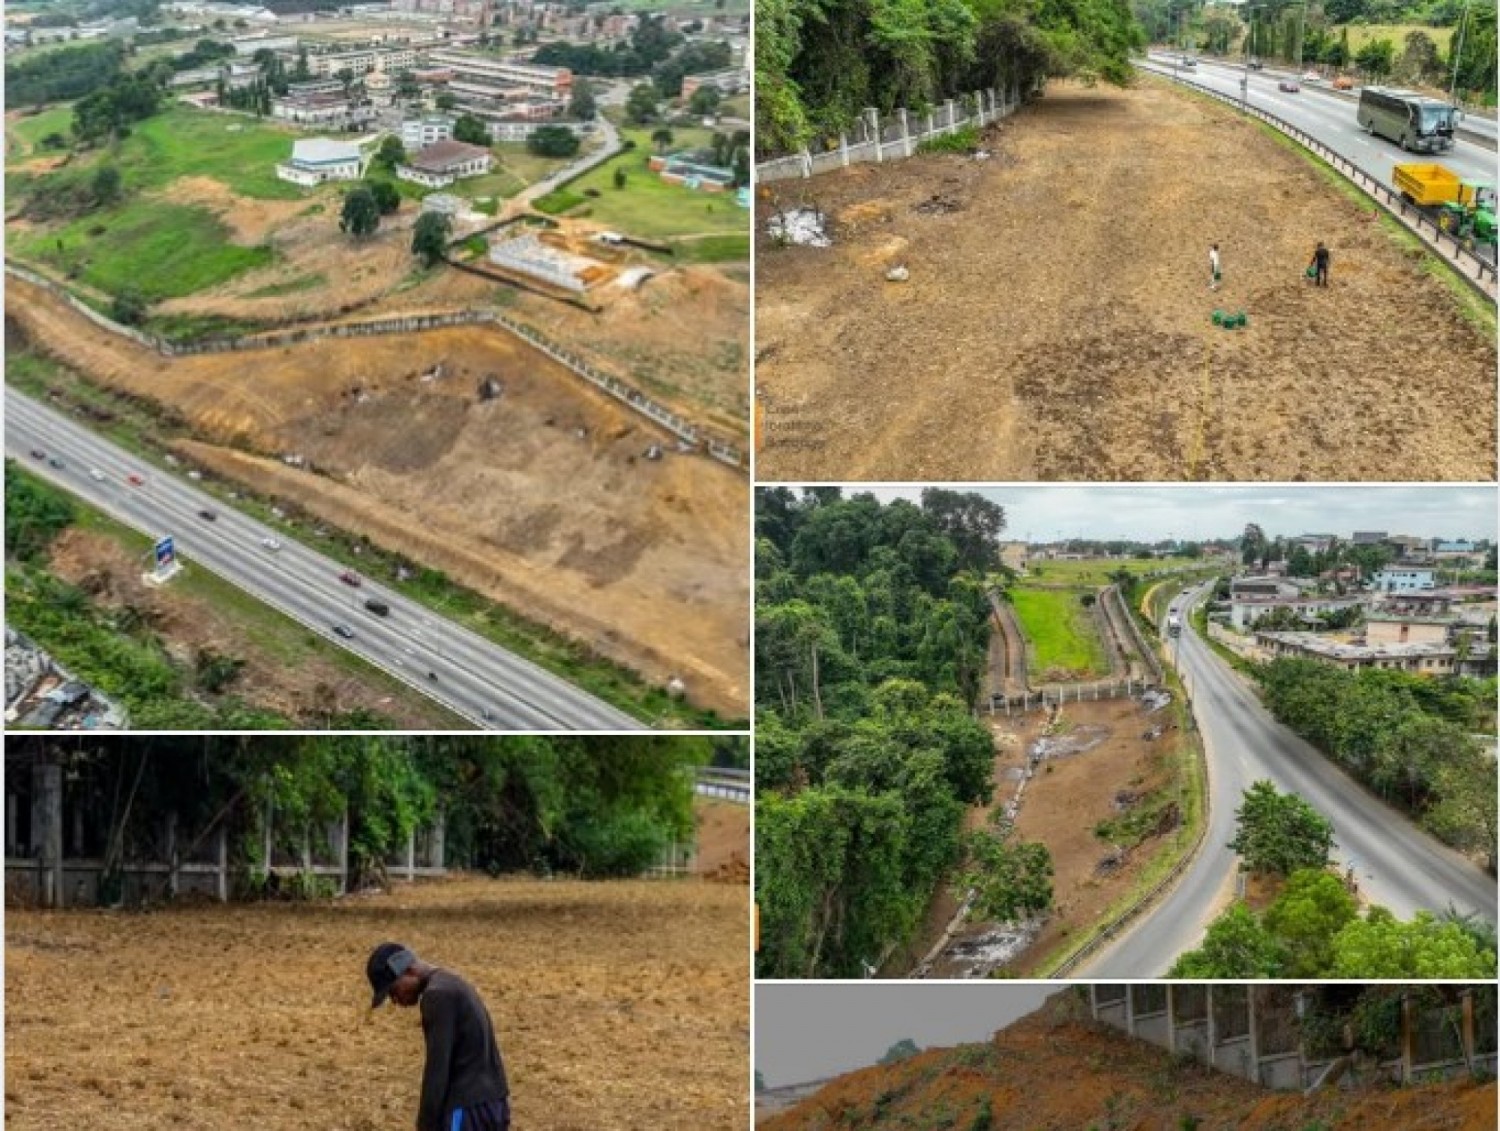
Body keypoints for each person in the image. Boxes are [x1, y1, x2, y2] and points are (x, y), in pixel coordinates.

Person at [367, 942, 511, 1131]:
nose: (395, 1000)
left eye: (393, 990)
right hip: (493, 1101)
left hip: (466, 1107)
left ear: (409, 971)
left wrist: (426, 1124)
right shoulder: (451, 982)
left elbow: (437, 1068)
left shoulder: (436, 996)